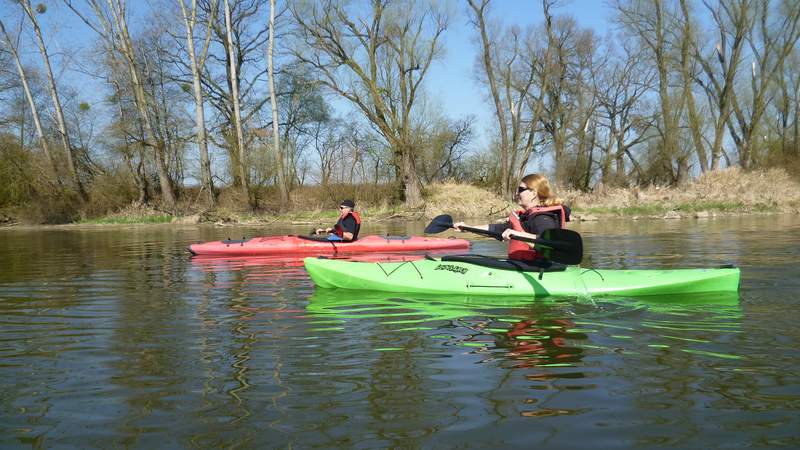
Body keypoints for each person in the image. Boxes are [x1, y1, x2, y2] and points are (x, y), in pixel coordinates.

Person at [453, 173, 569, 262]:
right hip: (527, 266)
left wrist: (517, 234)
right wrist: (467, 227)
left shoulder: (542, 218)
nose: (516, 194)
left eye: (520, 190)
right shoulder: (526, 217)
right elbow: (494, 229)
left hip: (539, 268)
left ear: (533, 193)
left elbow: (547, 243)